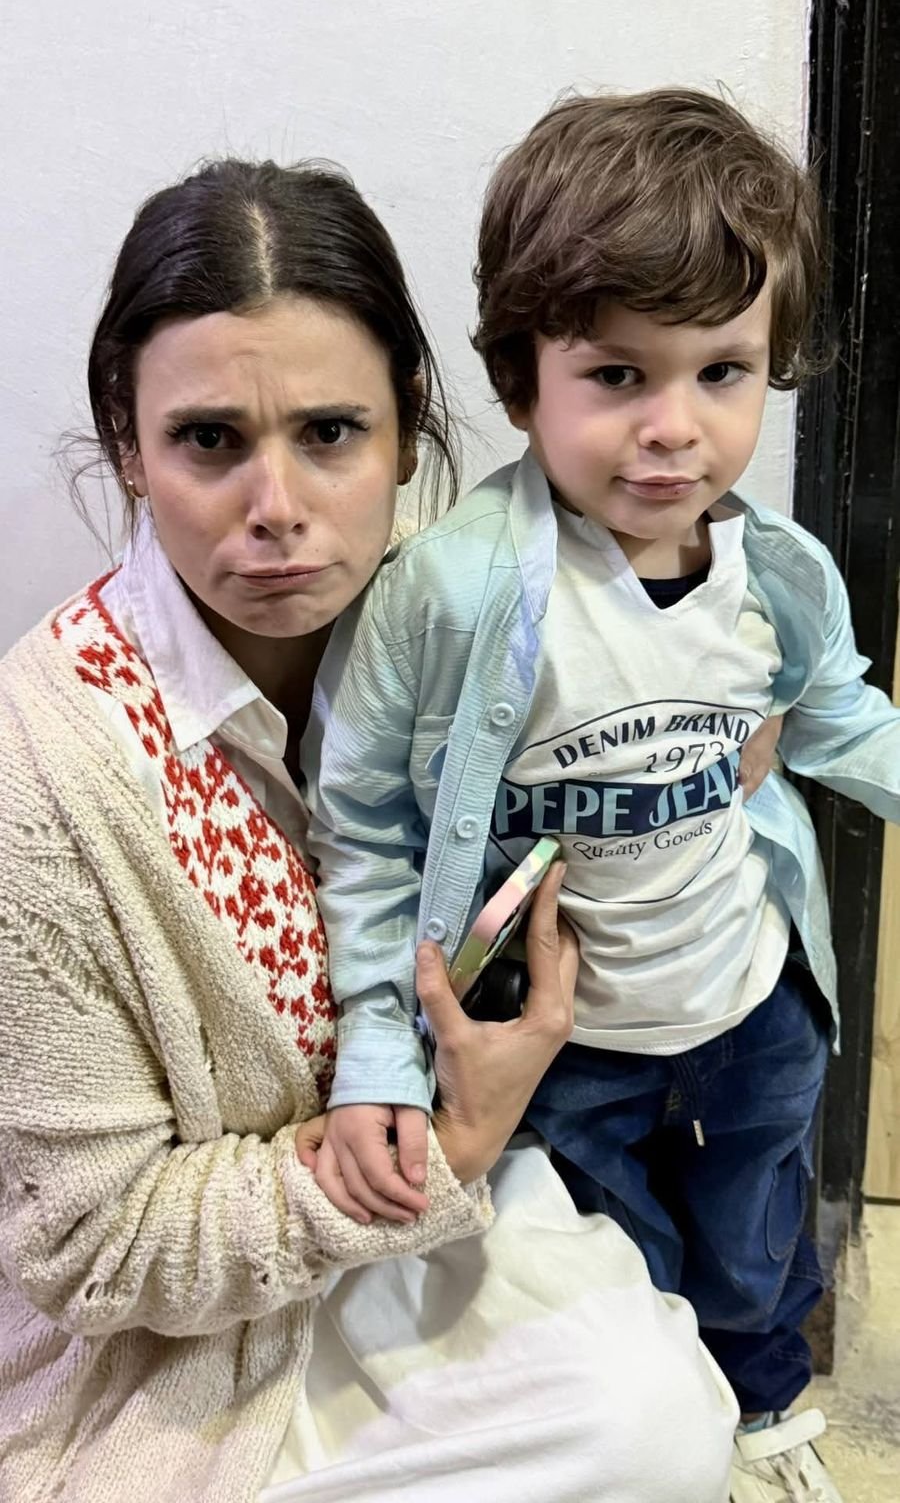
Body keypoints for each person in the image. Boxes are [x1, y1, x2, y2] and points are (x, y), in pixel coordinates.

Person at [0, 157, 751, 1503]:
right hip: (189, 1311)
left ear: (408, 431)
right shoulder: (44, 786)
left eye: (332, 433)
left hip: (436, 1198)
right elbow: (94, 1249)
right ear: (127, 445)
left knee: (661, 1428)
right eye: (209, 440)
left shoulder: (476, 634)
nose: (277, 509)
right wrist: (449, 1141)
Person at [303, 91, 900, 1503]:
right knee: (617, 1258)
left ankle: (763, 1398)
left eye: (723, 371)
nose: (674, 429)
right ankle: (676, 1415)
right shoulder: (449, 594)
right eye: (619, 374)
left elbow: (834, 716)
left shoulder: (780, 576)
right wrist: (379, 1050)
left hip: (749, 997)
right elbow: (367, 828)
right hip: (565, 1048)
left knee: (758, 1237)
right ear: (523, 381)